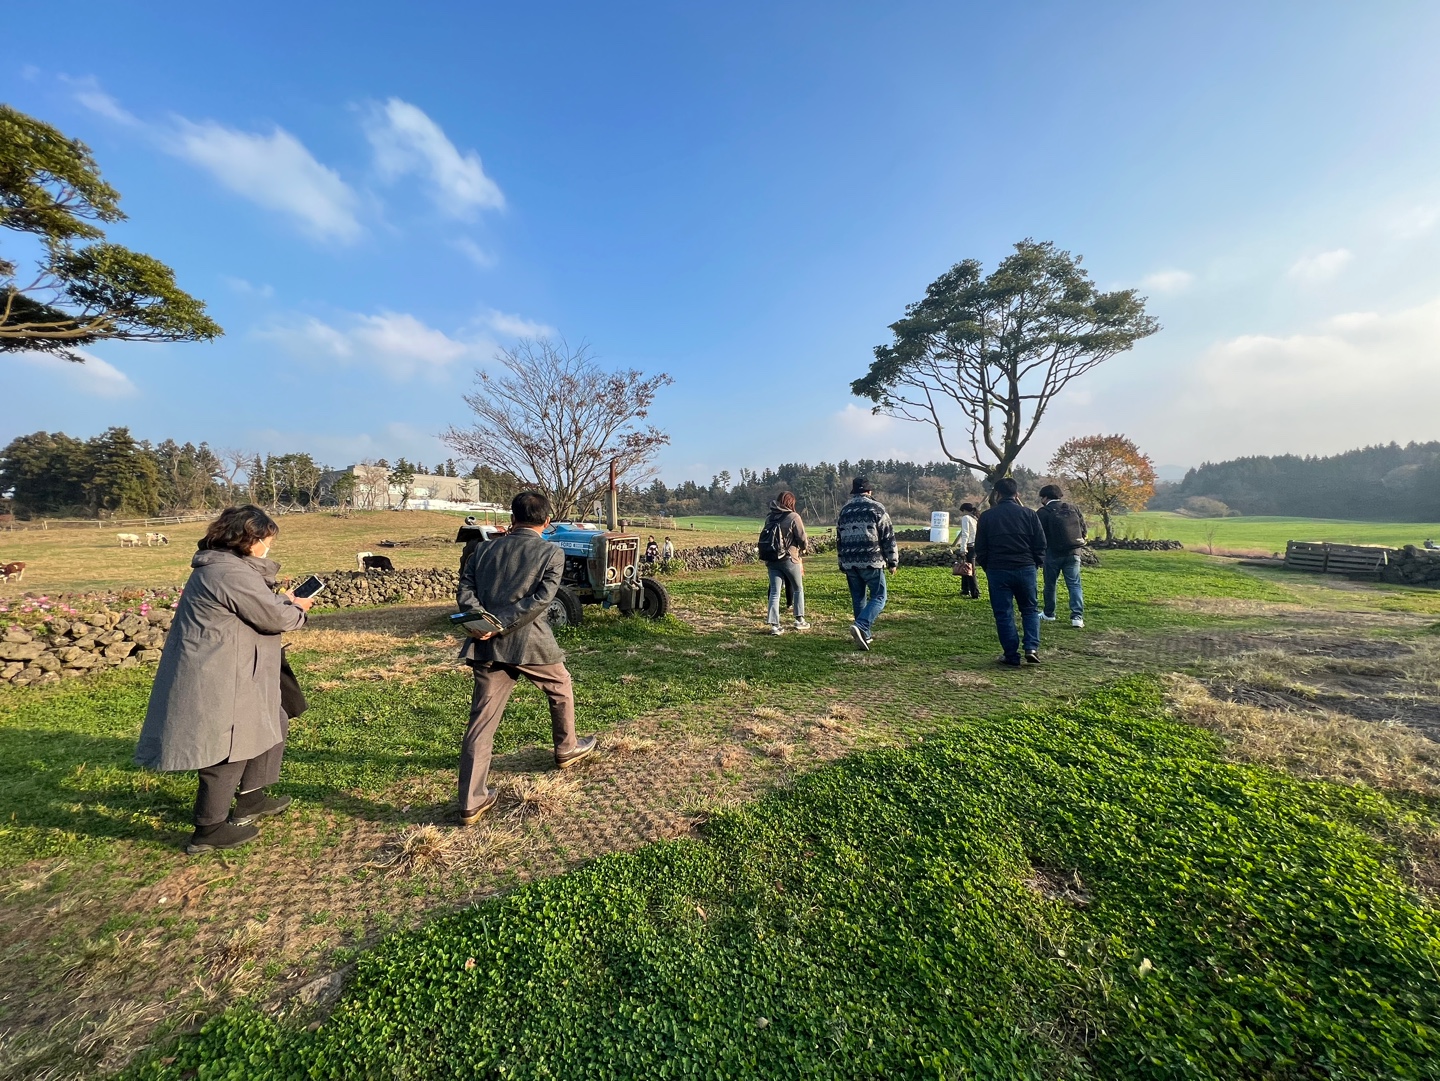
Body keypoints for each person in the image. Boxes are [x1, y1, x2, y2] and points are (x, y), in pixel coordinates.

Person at [135, 505, 314, 854]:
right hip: (222, 671)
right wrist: (297, 609)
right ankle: (209, 827)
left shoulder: (226, 568)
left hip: (238, 665)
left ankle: (250, 797)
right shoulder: (228, 572)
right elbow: (273, 618)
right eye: (265, 540)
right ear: (248, 539)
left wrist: (282, 600)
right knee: (229, 744)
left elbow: (254, 605)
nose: (268, 547)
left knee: (272, 719)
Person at [455, 492, 596, 824]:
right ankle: (566, 748)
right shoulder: (552, 552)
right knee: (560, 687)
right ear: (547, 521)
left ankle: (471, 801)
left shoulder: (483, 549)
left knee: (482, 720)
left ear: (512, 518)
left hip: (487, 644)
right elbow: (542, 599)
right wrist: (502, 624)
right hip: (532, 643)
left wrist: (483, 622)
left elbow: (465, 589)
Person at [974, 477, 1046, 666]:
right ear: (1017, 494)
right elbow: (1040, 543)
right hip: (1025, 568)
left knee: (1004, 613)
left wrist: (987, 566)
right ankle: (1031, 647)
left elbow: (980, 547)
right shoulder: (1029, 514)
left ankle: (1011, 655)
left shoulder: (987, 517)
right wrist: (1036, 563)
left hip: (998, 569)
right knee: (1030, 609)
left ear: (997, 494)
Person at [836, 476, 897, 651]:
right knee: (879, 596)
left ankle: (865, 636)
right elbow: (887, 535)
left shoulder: (845, 510)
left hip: (850, 561)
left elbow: (839, 539)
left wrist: (841, 561)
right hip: (872, 560)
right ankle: (861, 625)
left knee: (858, 598)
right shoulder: (876, 508)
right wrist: (892, 560)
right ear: (869, 491)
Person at [1036, 483, 1088, 628]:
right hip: (1074, 552)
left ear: (1045, 497)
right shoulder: (1073, 508)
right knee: (1074, 584)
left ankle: (1049, 613)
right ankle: (1077, 617)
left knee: (1050, 584)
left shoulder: (1043, 512)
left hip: (1052, 553)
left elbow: (1038, 535)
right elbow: (1083, 529)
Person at [759, 492, 810, 635]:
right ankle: (799, 620)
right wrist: (803, 548)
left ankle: (775, 626)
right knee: (798, 588)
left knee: (775, 592)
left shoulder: (770, 517)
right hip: (789, 559)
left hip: (772, 559)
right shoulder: (794, 517)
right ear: (791, 503)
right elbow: (802, 538)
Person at [954, 502, 980, 599]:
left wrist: (963, 549)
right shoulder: (975, 519)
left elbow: (965, 534)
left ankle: (975, 592)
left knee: (969, 569)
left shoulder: (966, 518)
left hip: (969, 546)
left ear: (964, 510)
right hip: (975, 545)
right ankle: (965, 589)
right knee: (966, 566)